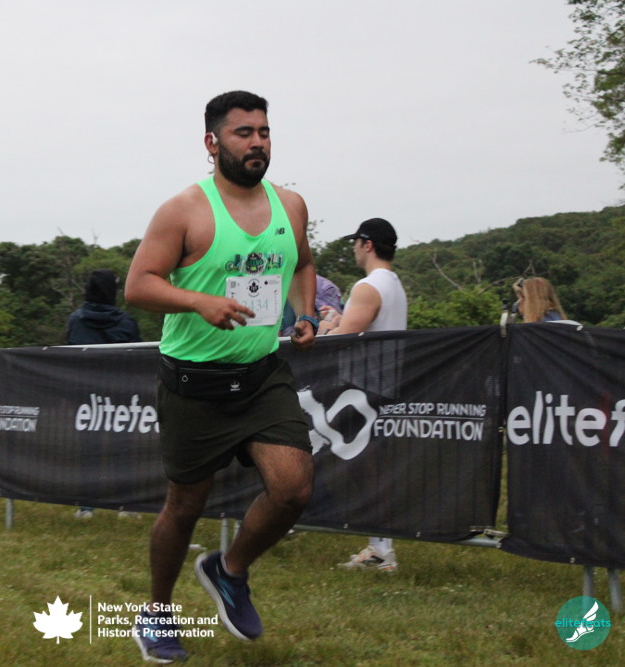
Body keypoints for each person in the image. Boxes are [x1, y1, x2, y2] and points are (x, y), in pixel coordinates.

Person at [124, 90, 318, 662]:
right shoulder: (184, 209)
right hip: (194, 382)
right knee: (185, 507)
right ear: (212, 143)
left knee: (294, 488)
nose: (257, 142)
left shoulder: (291, 206)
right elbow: (139, 284)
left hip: (260, 375)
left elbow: (304, 263)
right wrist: (198, 302)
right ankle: (157, 613)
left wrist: (305, 313)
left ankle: (229, 571)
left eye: (264, 132)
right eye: (243, 133)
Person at [317, 217, 408, 573]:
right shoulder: (392, 283)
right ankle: (380, 546)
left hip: (364, 389)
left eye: (356, 242)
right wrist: (340, 319)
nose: (354, 249)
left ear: (367, 244)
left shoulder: (368, 286)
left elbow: (342, 338)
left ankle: (381, 550)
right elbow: (362, 325)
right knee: (372, 469)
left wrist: (327, 325)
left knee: (367, 471)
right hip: (382, 385)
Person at [66, 269, 142, 520]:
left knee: (89, 448)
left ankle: (86, 507)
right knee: (124, 447)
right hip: (121, 397)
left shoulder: (76, 320)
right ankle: (125, 505)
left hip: (86, 396)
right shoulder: (127, 322)